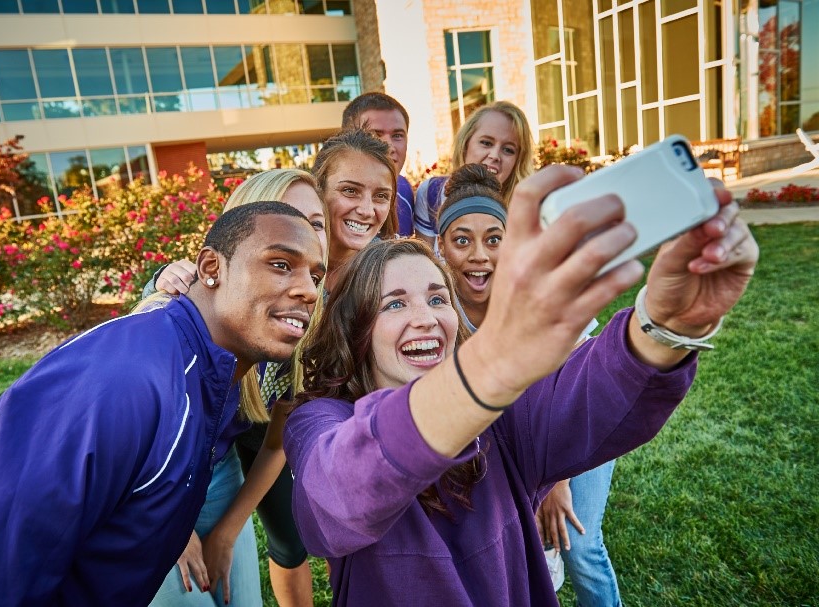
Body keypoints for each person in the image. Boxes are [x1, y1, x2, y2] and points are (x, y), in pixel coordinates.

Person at [283, 164, 759, 605]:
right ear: (357, 331)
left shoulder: (501, 418)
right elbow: (339, 488)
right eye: (394, 305)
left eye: (436, 297)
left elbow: (590, 394)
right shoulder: (318, 421)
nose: (426, 318)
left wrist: (666, 323)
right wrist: (491, 367)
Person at [0, 201, 325, 606]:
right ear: (212, 268)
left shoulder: (216, 377)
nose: (308, 290)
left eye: (316, 275)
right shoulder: (122, 380)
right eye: (280, 264)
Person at [435, 163, 615, 603]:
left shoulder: (534, 294)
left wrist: (558, 483)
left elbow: (568, 386)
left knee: (580, 545)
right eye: (462, 241)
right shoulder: (436, 307)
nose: (479, 255)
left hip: (575, 417)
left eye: (493, 240)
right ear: (440, 247)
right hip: (512, 442)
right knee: (524, 547)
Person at [147, 169, 327, 607]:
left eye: (316, 224)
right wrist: (168, 525)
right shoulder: (176, 318)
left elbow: (274, 444)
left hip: (219, 472)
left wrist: (227, 532)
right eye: (287, 219)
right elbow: (127, 447)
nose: (306, 235)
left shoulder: (299, 322)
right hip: (148, 489)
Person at [415, 101, 534, 248]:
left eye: (508, 150)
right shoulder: (431, 193)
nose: (495, 155)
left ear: (518, 161)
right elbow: (425, 264)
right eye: (486, 143)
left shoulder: (527, 211)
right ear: (465, 144)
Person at [311, 128, 397, 291]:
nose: (367, 211)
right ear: (318, 189)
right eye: (350, 191)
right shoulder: (287, 264)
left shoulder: (396, 271)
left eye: (381, 196)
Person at [342, 92, 415, 237]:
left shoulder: (404, 189)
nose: (389, 147)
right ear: (347, 138)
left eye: (397, 135)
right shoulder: (322, 201)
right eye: (375, 134)